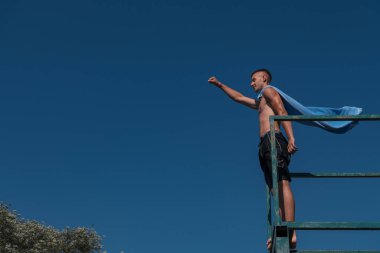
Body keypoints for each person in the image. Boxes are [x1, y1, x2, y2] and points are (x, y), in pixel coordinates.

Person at [208, 69, 297, 249]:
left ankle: (292, 231)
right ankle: (281, 231)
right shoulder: (260, 100)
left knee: (283, 183)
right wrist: (220, 85)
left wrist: (291, 137)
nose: (251, 83)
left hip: (275, 138)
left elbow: (281, 110)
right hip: (264, 144)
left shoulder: (269, 91)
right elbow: (239, 98)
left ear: (264, 78)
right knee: (274, 190)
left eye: (253, 79)